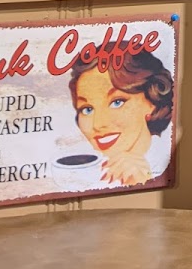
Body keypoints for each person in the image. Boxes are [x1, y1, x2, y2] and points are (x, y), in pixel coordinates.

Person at [68, 50, 174, 188]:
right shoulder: (83, 173)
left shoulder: (170, 163)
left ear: (152, 101)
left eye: (117, 102)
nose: (98, 124)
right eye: (87, 109)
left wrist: (142, 180)